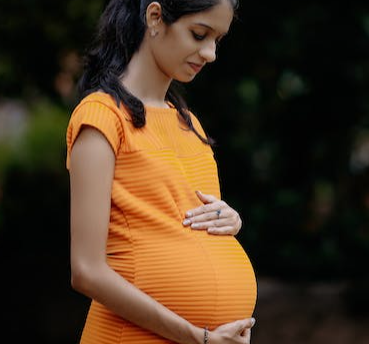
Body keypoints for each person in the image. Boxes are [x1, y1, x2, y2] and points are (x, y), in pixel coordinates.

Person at [65, 0, 257, 343]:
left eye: (218, 40)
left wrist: (229, 220)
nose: (210, 53)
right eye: (199, 34)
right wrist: (198, 337)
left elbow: (183, 228)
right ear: (155, 17)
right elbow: (86, 271)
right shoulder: (101, 119)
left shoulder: (189, 124)